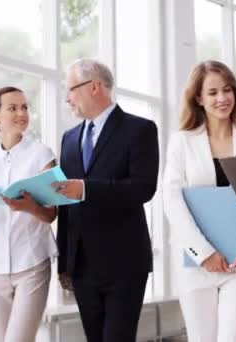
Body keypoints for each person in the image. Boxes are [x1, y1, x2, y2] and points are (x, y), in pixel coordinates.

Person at [162, 60, 236, 342]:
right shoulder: (182, 142)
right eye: (212, 93)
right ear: (198, 98)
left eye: (227, 90)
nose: (222, 98)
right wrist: (204, 252)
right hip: (197, 263)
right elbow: (172, 201)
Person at [53, 59, 159, 342]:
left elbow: (143, 188)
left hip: (124, 262)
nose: (67, 98)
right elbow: (66, 203)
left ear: (95, 87)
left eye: (71, 89)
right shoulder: (69, 139)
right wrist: (64, 259)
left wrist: (87, 189)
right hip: (82, 264)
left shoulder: (140, 130)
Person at [0, 86, 58, 342]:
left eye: (25, 107)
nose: (21, 113)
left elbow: (51, 214)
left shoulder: (42, 154)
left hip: (32, 263)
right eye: (13, 108)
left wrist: (28, 206)